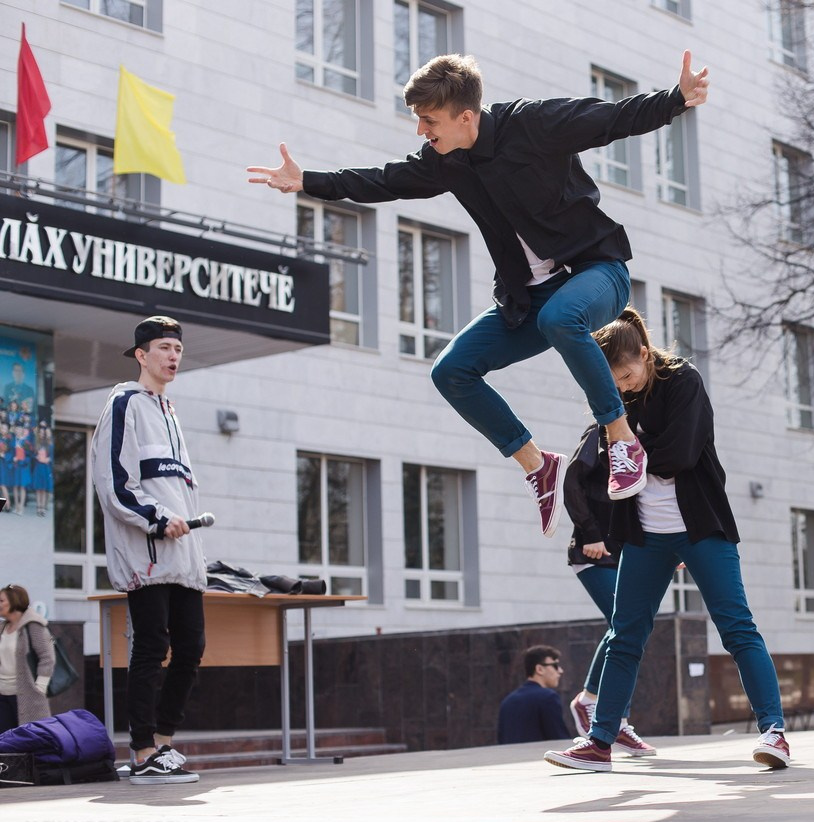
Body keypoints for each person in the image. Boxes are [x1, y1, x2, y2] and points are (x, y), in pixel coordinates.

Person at [247, 51, 710, 538]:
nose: (422, 132)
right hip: (527, 299)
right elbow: (386, 180)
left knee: (560, 318)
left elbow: (612, 119)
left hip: (596, 272)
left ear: (465, 116)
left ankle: (621, 439)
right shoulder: (446, 162)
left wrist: (676, 99)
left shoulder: (532, 124)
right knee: (451, 370)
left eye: (429, 121)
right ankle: (538, 465)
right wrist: (308, 182)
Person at [545, 309, 791, 773]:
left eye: (626, 374)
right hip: (644, 536)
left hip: (700, 527)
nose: (622, 386)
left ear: (643, 353)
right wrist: (623, 452)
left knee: (737, 627)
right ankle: (599, 743)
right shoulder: (615, 395)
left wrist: (628, 448)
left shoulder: (683, 380)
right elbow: (604, 465)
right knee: (624, 636)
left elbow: (677, 454)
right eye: (612, 381)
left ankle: (774, 731)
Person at [91, 316, 206, 785]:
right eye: (163, 347)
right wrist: (158, 518)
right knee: (152, 645)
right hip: (146, 554)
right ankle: (141, 751)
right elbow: (115, 483)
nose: (173, 356)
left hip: (183, 558)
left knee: (192, 647)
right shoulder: (124, 403)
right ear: (141, 355)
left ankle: (163, 742)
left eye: (177, 348)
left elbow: (181, 489)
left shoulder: (170, 411)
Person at [562, 422, 655, 758]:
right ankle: (592, 703)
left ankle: (613, 717)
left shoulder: (650, 437)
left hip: (627, 550)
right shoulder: (602, 431)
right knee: (625, 624)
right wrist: (589, 533)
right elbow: (571, 481)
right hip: (594, 550)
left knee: (632, 627)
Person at [0, 584, 53, 731]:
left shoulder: (34, 625)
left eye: (1, 600)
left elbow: (47, 657)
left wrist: (40, 687)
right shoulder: (3, 627)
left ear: (14, 601)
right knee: (4, 742)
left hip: (26, 695)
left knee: (29, 739)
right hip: (3, 694)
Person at [497, 646, 573, 744]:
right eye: (555, 665)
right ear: (539, 669)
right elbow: (558, 739)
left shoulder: (507, 701)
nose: (560, 671)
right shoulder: (548, 697)